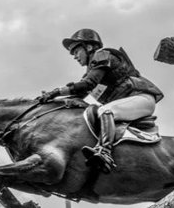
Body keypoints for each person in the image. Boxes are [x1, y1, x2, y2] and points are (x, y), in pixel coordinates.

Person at [36, 28, 164, 170]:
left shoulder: (102, 55)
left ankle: (105, 152)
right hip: (128, 103)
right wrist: (51, 101)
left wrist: (56, 92)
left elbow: (87, 84)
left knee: (104, 110)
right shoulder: (93, 69)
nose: (74, 57)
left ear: (89, 47)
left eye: (76, 51)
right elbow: (78, 96)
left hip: (141, 98)